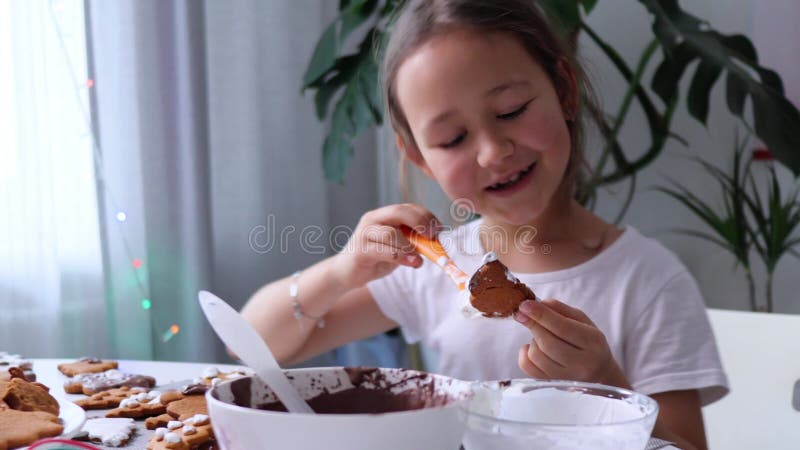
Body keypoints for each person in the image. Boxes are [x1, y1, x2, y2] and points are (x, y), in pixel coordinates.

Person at [241, 1, 728, 448]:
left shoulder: (649, 281)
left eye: (511, 111)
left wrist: (607, 384)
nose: (494, 152)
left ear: (563, 90)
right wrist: (342, 271)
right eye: (453, 139)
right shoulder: (433, 267)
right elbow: (252, 343)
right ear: (419, 158)